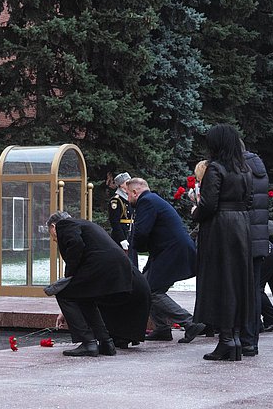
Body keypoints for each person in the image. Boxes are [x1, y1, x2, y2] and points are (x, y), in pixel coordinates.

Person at [46, 211, 151, 356]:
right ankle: (106, 342)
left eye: (51, 233)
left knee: (63, 293)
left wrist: (68, 278)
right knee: (84, 296)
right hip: (113, 268)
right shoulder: (86, 224)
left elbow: (76, 244)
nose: (53, 239)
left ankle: (88, 342)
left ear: (53, 226)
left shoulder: (65, 225)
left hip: (102, 267)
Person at [191, 124, 254, 361]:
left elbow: (208, 205)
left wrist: (195, 212)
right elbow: (248, 202)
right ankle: (234, 337)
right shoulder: (244, 169)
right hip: (241, 226)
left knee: (221, 280)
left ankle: (226, 339)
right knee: (237, 281)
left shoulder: (215, 169)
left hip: (220, 228)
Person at [125, 178, 206, 343]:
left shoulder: (146, 201)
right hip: (169, 251)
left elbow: (141, 232)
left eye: (127, 194)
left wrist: (136, 247)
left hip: (172, 252)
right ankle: (162, 328)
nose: (127, 199)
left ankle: (189, 322)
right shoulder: (153, 199)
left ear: (135, 192)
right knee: (145, 287)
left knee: (152, 291)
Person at [242, 146, 270, 356]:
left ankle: (245, 339)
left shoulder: (240, 168)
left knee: (244, 292)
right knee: (254, 292)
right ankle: (252, 340)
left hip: (244, 237)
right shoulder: (258, 168)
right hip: (259, 237)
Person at [106, 172, 133, 249]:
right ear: (121, 185)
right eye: (127, 182)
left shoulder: (129, 198)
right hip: (121, 235)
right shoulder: (116, 200)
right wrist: (122, 239)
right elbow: (114, 221)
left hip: (130, 233)